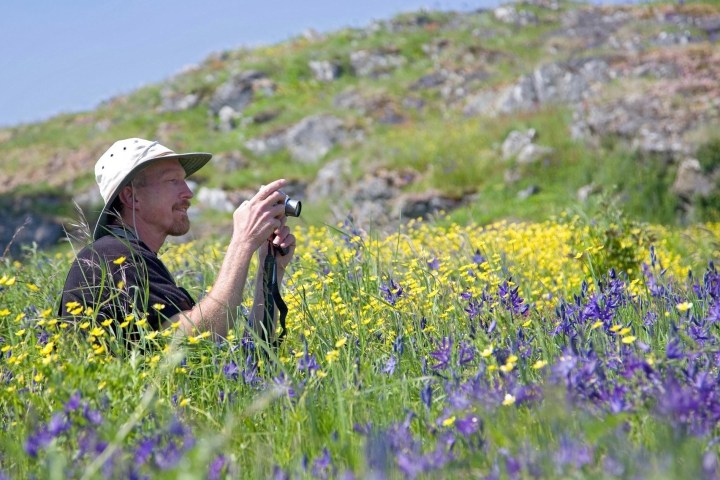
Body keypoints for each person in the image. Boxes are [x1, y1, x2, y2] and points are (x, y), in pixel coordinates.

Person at [58, 137, 295, 345]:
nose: (188, 193)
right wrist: (242, 243)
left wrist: (269, 270)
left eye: (184, 180)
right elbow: (194, 340)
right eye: (173, 181)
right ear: (132, 196)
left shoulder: (132, 258)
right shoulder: (111, 257)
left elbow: (239, 362)